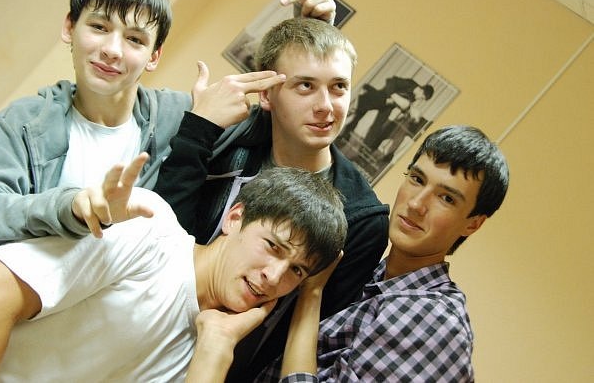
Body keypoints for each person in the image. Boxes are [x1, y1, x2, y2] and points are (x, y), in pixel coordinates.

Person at [0, 0, 337, 249]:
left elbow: (281, 122)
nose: (112, 50)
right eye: (99, 27)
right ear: (70, 27)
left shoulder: (178, 117)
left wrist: (313, 35)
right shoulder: (25, 123)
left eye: (135, 39)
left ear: (154, 56)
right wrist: (68, 207)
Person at [154, 17, 391, 380]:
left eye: (339, 87)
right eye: (306, 86)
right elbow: (160, 234)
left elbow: (300, 334)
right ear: (266, 94)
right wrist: (199, 130)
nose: (326, 106)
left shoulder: (361, 217)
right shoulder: (228, 139)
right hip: (150, 314)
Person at [184, 125, 510, 382]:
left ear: (473, 223)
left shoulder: (435, 321)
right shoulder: (374, 277)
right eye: (416, 179)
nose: (416, 204)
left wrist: (312, 295)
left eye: (446, 198)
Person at [0, 154, 348, 382]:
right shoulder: (149, 227)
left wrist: (216, 346)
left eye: (296, 271)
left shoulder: (216, 340)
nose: (274, 276)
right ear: (235, 218)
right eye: (272, 246)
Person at [339, 75, 434, 145]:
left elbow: (403, 105)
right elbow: (390, 81)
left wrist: (409, 112)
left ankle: (365, 146)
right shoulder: (409, 83)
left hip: (388, 107)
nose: (420, 99)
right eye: (422, 97)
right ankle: (345, 134)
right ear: (421, 90)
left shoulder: (414, 97)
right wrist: (392, 95)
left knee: (378, 126)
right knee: (358, 113)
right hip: (380, 98)